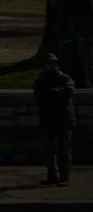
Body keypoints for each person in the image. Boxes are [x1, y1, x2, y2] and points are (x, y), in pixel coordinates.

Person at [31, 54, 75, 186]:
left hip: (64, 118)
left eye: (54, 63)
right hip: (48, 118)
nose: (52, 65)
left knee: (64, 150)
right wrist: (55, 94)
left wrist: (51, 93)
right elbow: (39, 96)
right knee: (49, 150)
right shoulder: (41, 79)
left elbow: (68, 91)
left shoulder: (65, 78)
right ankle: (52, 176)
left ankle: (64, 177)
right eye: (49, 63)